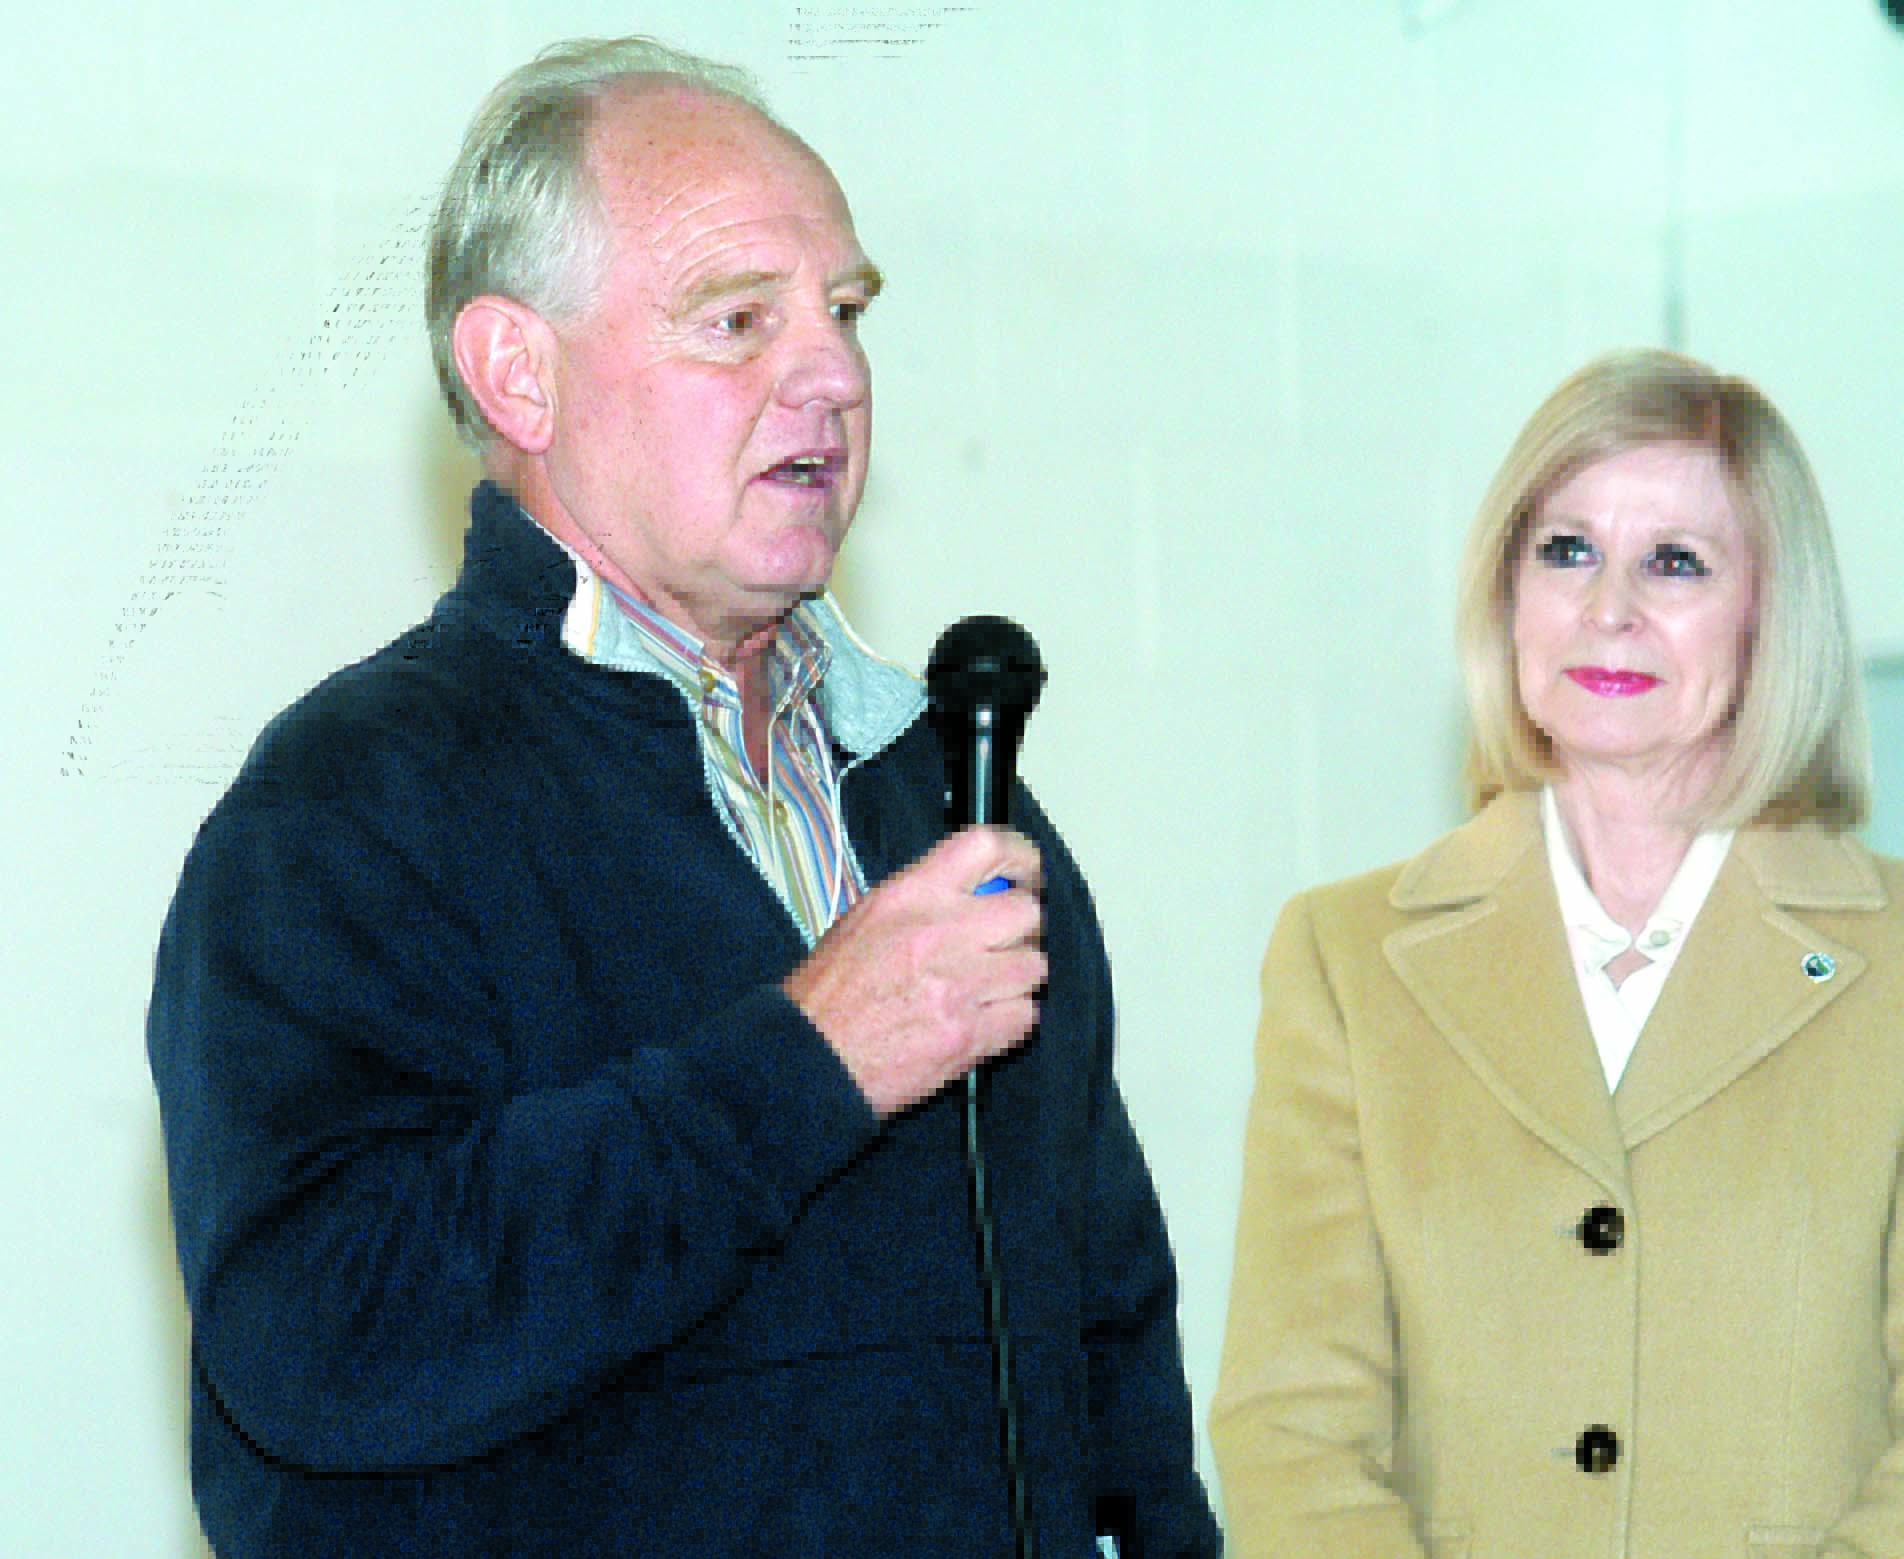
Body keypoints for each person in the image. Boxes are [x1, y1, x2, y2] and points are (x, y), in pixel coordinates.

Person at [147, 37, 1218, 1559]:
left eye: (842, 313)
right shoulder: (349, 805)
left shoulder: (944, 785)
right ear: (518, 371)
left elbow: (1105, 1335)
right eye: (736, 320)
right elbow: (322, 1339)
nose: (831, 375)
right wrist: (802, 1061)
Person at [1209, 350, 1904, 1557]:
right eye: (1565, 551)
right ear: (1507, 590)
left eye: (1675, 561)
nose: (1607, 609)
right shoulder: (1346, 957)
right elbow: (1290, 1419)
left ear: (1770, 613)